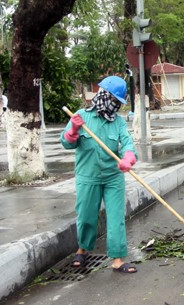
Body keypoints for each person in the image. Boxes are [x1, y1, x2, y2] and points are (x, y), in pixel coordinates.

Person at [60, 75, 138, 273]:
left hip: (113, 177)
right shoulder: (80, 116)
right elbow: (67, 143)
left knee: (115, 217)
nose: (115, 106)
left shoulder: (118, 122)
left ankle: (118, 258)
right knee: (86, 216)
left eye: (118, 103)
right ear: (104, 95)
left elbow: (127, 142)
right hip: (88, 176)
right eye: (113, 100)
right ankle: (83, 249)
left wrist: (128, 157)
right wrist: (73, 131)